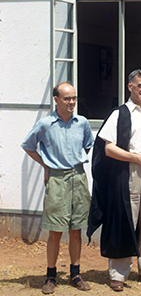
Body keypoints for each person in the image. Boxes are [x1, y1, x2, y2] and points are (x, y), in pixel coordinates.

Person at [87, 69, 141, 292]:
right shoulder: (119, 114)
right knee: (125, 221)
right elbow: (108, 148)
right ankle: (118, 274)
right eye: (140, 85)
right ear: (130, 86)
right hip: (128, 173)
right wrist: (137, 158)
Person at [21, 83, 94, 294]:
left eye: (74, 98)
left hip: (78, 178)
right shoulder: (45, 124)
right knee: (55, 231)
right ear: (56, 99)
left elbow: (87, 145)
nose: (71, 102)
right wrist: (46, 165)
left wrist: (74, 162)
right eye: (66, 98)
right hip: (57, 180)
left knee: (76, 230)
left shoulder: (82, 123)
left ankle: (75, 273)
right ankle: (51, 276)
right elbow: (28, 146)